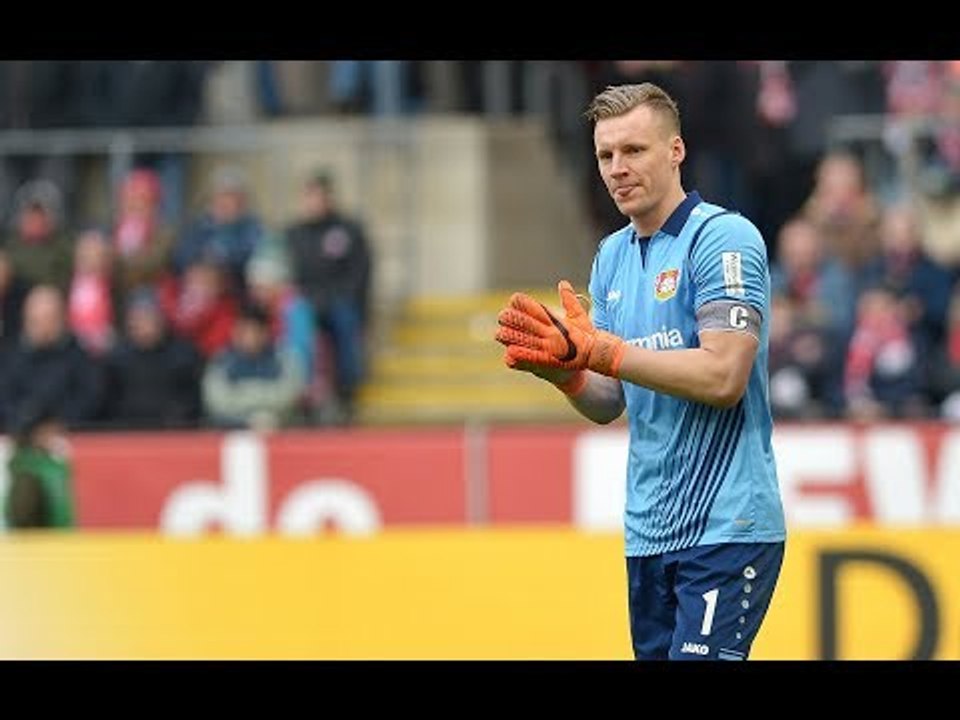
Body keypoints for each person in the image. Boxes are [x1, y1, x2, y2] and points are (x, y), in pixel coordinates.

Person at [494, 83, 786, 661]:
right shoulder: (612, 257)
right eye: (606, 156)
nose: (617, 168)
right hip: (650, 532)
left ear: (675, 150)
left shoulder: (721, 238)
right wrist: (570, 374)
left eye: (634, 151)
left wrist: (605, 353)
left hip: (727, 526)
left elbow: (724, 378)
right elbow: (612, 401)